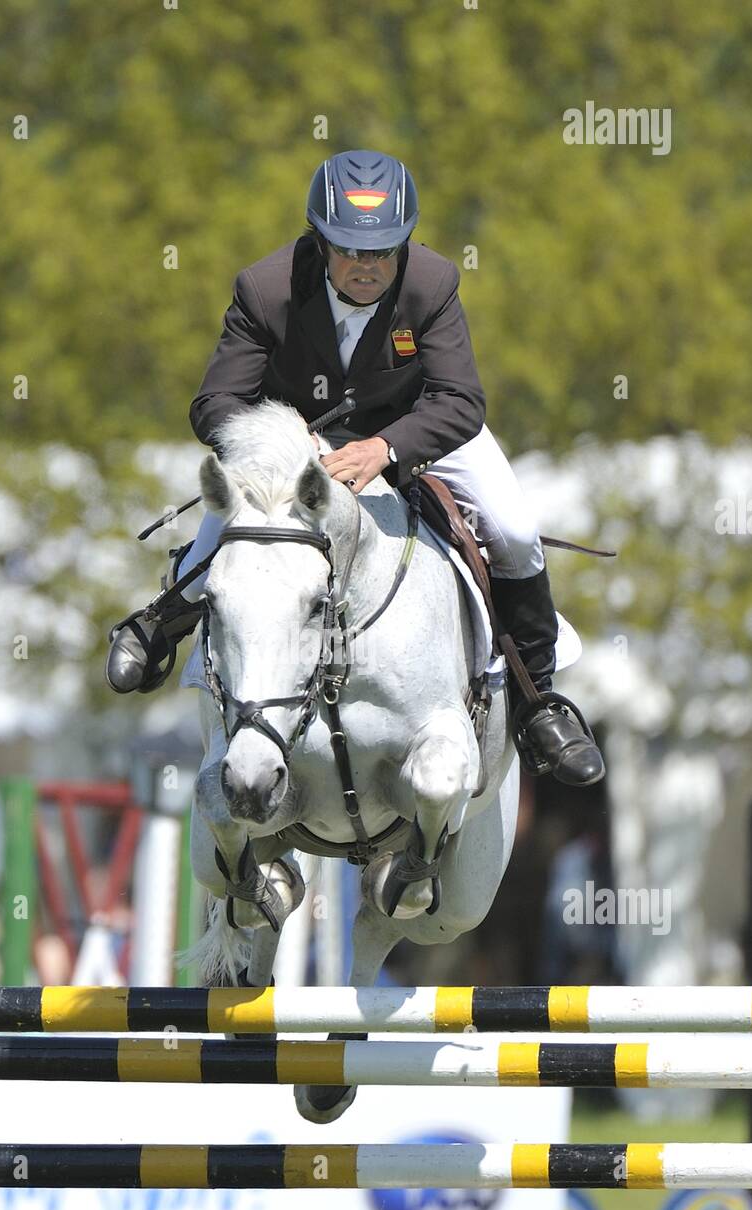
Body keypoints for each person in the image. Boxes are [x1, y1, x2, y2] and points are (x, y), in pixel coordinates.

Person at [106, 150, 603, 786]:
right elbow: (214, 403)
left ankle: (539, 702)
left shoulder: (432, 283)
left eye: (382, 251)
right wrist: (284, 442)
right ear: (321, 240)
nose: (367, 267)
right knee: (228, 541)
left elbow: (461, 401)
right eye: (349, 250)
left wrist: (387, 448)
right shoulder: (266, 288)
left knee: (513, 529)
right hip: (300, 444)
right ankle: (160, 623)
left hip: (420, 428)